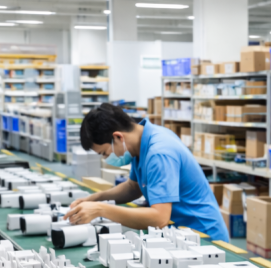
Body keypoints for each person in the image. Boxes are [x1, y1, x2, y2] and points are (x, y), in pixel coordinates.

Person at [65, 104, 229, 243]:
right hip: (179, 232)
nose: (106, 158)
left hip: (203, 236)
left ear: (118, 137)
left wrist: (100, 209)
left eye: (104, 153)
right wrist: (95, 198)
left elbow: (159, 218)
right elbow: (133, 187)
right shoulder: (141, 141)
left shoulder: (159, 153)